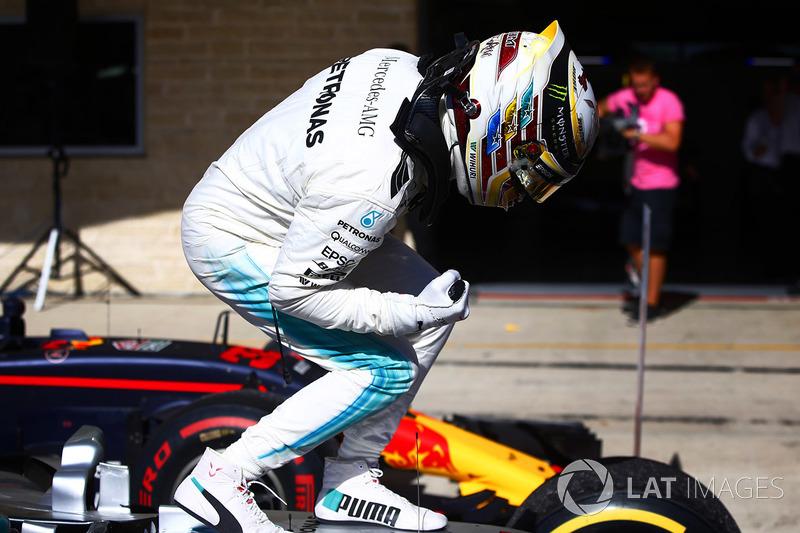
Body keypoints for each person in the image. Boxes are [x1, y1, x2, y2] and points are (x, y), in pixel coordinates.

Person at [175, 21, 598, 533]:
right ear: (493, 117)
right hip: (232, 240)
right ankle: (221, 475)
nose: (523, 184)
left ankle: (350, 480)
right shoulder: (373, 182)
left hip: (284, 210)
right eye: (526, 162)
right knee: (383, 368)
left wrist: (421, 310)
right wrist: (410, 314)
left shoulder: (399, 67)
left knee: (432, 302)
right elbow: (294, 293)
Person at [598, 55, 684, 321]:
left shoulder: (668, 101)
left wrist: (634, 133)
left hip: (661, 185)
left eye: (645, 85)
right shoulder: (627, 97)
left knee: (655, 245)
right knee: (631, 239)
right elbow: (598, 107)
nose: (640, 90)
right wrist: (606, 122)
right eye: (636, 85)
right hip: (635, 183)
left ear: (655, 81)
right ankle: (643, 282)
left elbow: (673, 142)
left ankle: (652, 302)